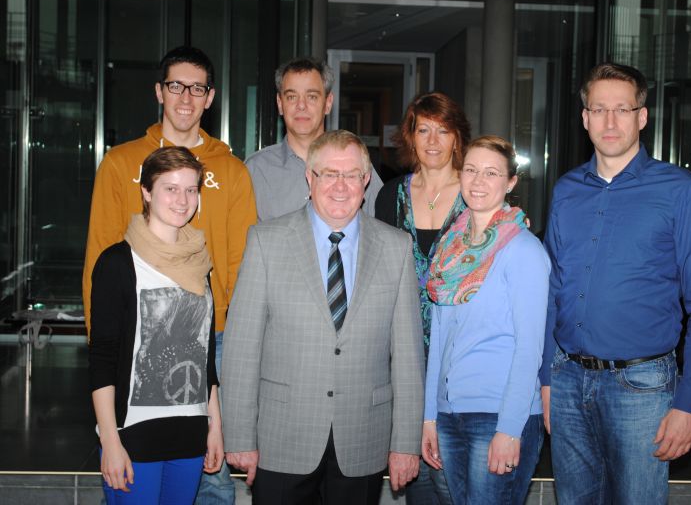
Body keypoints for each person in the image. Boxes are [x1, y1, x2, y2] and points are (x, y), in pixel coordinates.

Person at [540, 63, 691, 504]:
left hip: (641, 387)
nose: (609, 121)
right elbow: (551, 292)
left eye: (622, 109)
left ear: (642, 116)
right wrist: (546, 378)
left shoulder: (681, 190)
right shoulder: (566, 190)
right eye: (598, 109)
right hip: (566, 382)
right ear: (584, 117)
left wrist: (688, 404)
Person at [83, 46, 256, 504]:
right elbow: (100, 257)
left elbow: (240, 264)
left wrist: (231, 350)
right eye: (175, 85)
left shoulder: (232, 170)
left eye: (196, 87)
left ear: (210, 97)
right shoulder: (122, 163)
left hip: (208, 339)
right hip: (134, 342)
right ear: (159, 91)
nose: (185, 96)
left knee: (214, 484)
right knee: (129, 478)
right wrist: (105, 350)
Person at [221, 129, 424, 505]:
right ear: (310, 177)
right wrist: (240, 437)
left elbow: (409, 358)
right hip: (282, 436)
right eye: (329, 174)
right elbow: (241, 347)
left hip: (363, 436)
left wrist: (406, 444)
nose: (340, 186)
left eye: (351, 175)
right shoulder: (266, 240)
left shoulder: (397, 248)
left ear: (366, 181)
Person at [89, 147, 223, 504]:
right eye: (171, 188)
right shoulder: (117, 263)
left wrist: (214, 427)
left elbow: (204, 353)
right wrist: (110, 440)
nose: (183, 200)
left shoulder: (198, 261)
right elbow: (102, 358)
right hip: (133, 435)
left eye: (191, 189)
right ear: (147, 191)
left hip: (190, 433)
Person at [422, 136, 551, 505]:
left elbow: (530, 348)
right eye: (471, 170)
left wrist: (510, 429)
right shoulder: (450, 249)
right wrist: (430, 415)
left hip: (497, 415)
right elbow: (440, 341)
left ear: (510, 183)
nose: (478, 181)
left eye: (491, 173)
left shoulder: (523, 250)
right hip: (450, 415)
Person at [374, 91, 471, 505]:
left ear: (457, 138)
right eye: (423, 129)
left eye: (443, 131)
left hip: (460, 361)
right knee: (417, 483)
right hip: (404, 359)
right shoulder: (388, 195)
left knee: (455, 481)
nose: (433, 141)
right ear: (410, 137)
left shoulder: (476, 195)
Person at [245, 57, 383, 221]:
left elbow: (379, 232)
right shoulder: (255, 170)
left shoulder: (355, 164)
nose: (301, 105)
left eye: (311, 97)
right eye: (291, 97)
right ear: (280, 103)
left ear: (328, 103)